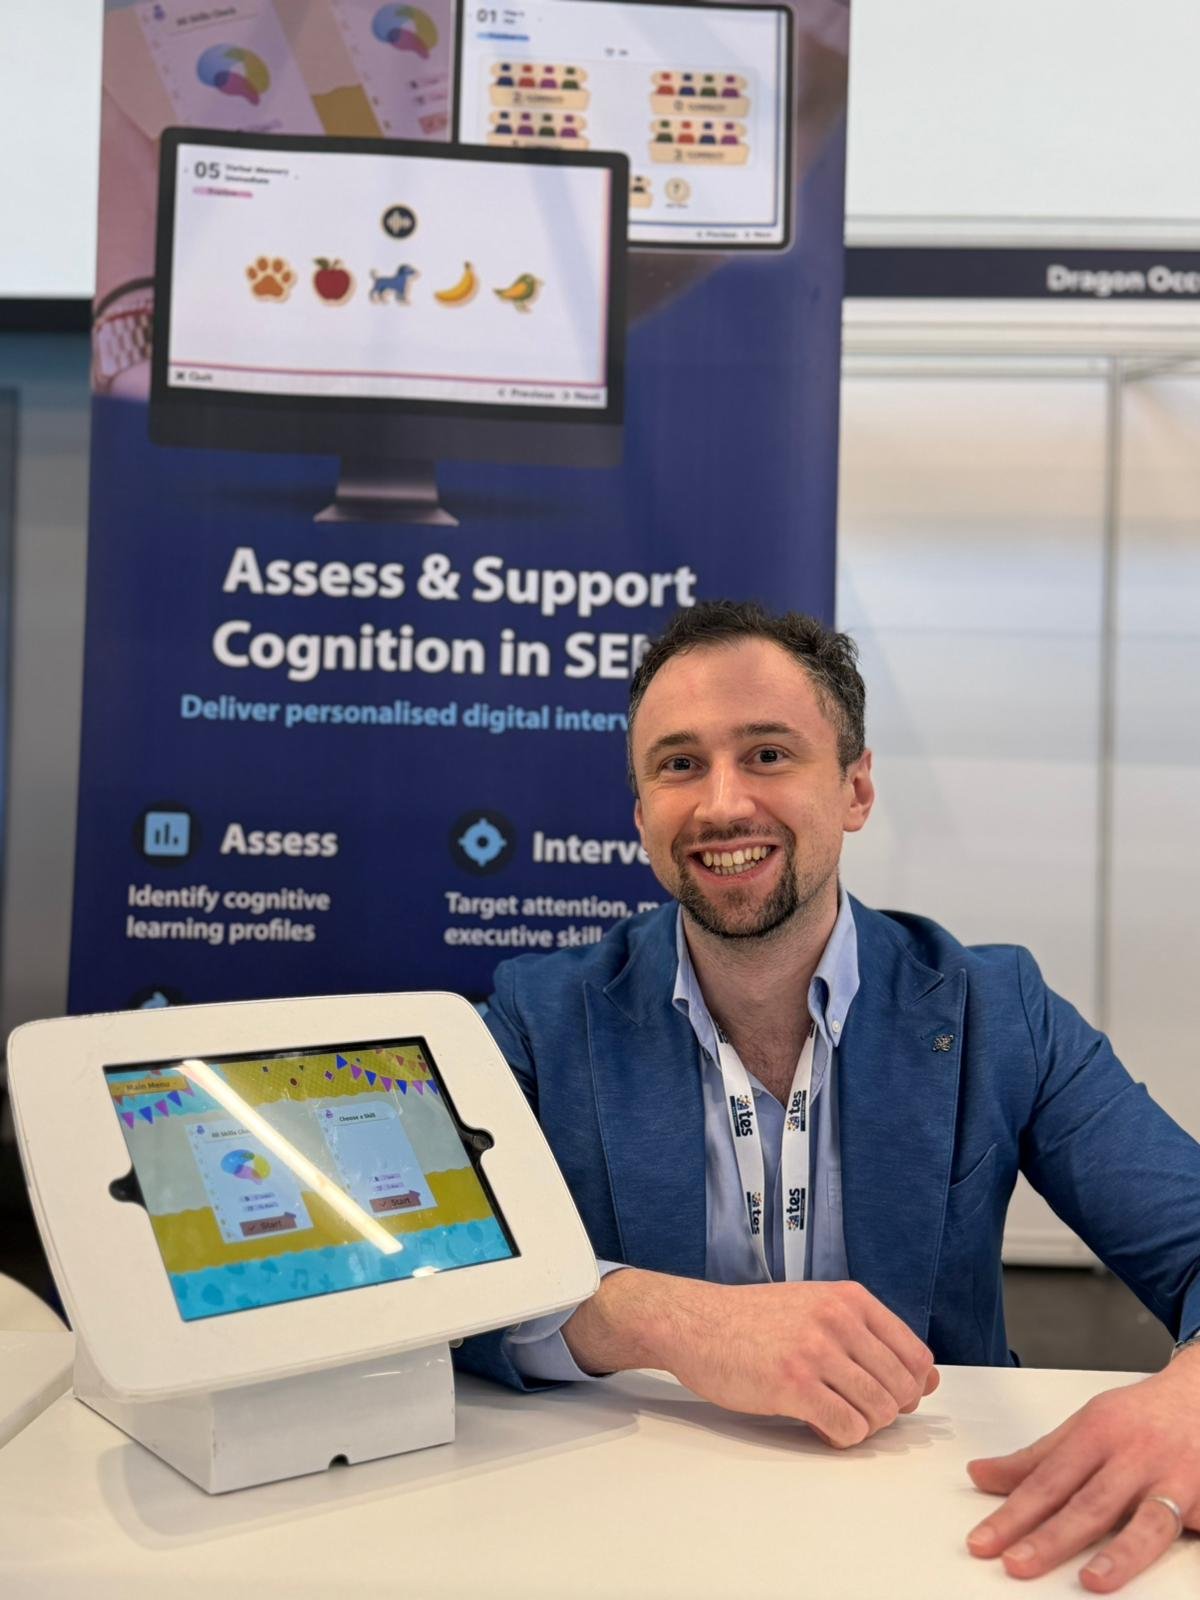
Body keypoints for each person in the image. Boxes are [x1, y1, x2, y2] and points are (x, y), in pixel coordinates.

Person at [457, 600, 1200, 1593]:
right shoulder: (541, 1015)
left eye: (769, 754)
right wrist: (659, 1318)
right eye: (679, 764)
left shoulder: (994, 1005)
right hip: (624, 1530)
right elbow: (421, 1275)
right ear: (640, 817)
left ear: (855, 787)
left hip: (934, 1530)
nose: (722, 803)